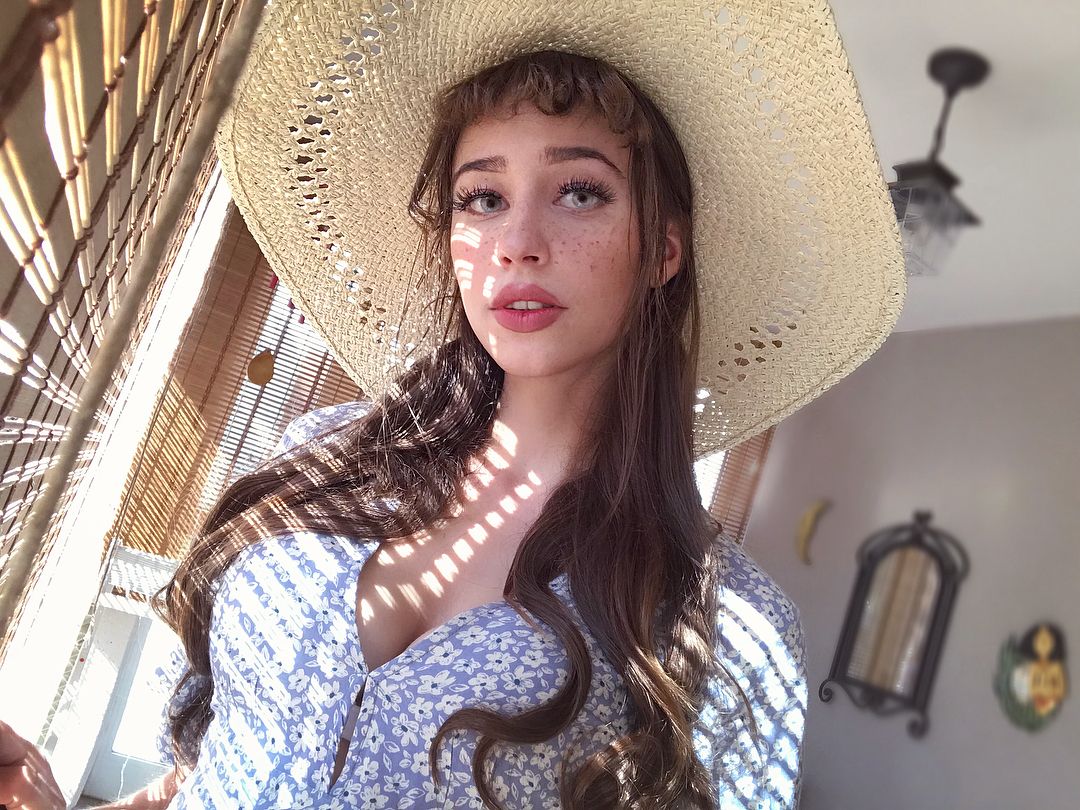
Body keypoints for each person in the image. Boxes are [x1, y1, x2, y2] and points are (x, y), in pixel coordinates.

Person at [0, 0, 906, 807]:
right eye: (482, 197)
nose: (517, 241)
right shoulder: (323, 456)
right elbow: (218, 768)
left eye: (579, 191)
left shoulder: (723, 626)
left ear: (663, 250)